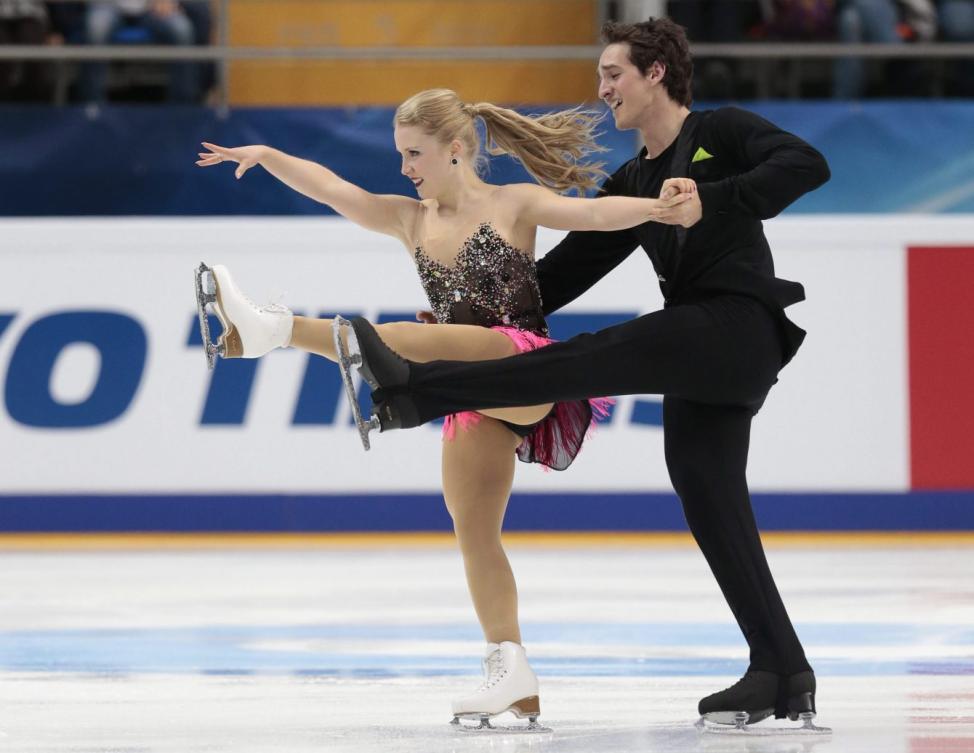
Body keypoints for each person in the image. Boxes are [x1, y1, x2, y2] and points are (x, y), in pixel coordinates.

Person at [338, 18, 832, 731]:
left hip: (734, 326)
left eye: (613, 75)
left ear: (655, 73)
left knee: (581, 359)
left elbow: (806, 165)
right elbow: (555, 279)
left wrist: (712, 198)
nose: (602, 91)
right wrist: (473, 311)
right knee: (713, 505)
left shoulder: (719, 133)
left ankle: (415, 395)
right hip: (700, 355)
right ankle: (781, 669)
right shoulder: (635, 179)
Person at [194, 88, 697, 729]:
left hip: (523, 367)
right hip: (468, 393)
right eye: (400, 153)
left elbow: (593, 218)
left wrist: (659, 207)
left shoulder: (512, 205)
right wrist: (267, 154)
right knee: (473, 530)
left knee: (394, 338)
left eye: (415, 153)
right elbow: (331, 188)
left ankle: (276, 329)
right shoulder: (411, 219)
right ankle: (512, 673)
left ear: (455, 150)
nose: (405, 168)